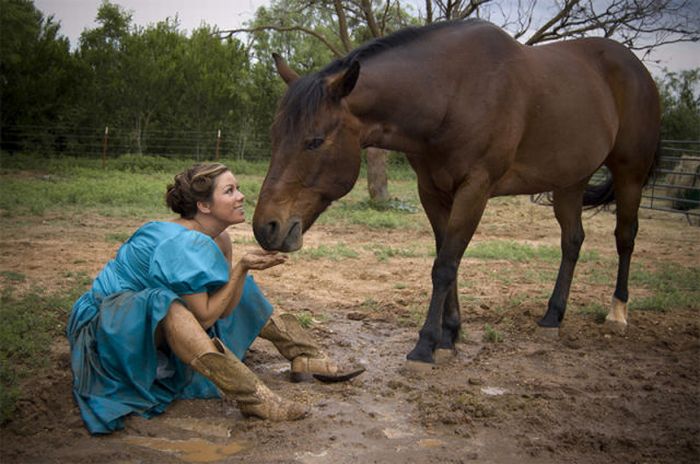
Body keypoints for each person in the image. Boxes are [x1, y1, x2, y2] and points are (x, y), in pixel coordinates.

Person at [66, 162, 363, 435]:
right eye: (229, 191)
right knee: (170, 306)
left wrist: (239, 273)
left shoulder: (218, 237)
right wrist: (241, 268)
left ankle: (304, 355)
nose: (241, 196)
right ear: (203, 205)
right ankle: (254, 398)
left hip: (138, 323)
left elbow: (224, 307)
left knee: (235, 283)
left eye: (238, 188)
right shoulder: (180, 243)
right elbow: (206, 316)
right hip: (106, 328)